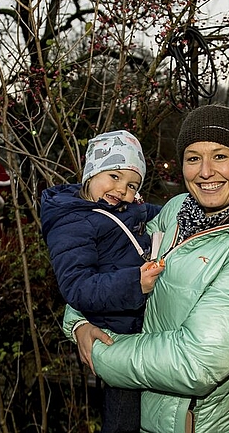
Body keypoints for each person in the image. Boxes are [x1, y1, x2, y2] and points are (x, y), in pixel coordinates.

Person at [64, 105, 229, 433]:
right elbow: (110, 260)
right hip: (135, 410)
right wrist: (78, 320)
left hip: (187, 423)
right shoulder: (176, 210)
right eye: (193, 158)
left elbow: (196, 362)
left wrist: (98, 351)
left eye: (220, 156)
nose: (205, 171)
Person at [40, 130, 164, 433]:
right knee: (123, 419)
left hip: (140, 331)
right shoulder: (72, 223)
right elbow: (76, 286)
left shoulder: (121, 207)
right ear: (91, 173)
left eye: (132, 184)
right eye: (114, 176)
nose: (122, 189)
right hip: (115, 337)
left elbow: (159, 213)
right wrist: (135, 284)